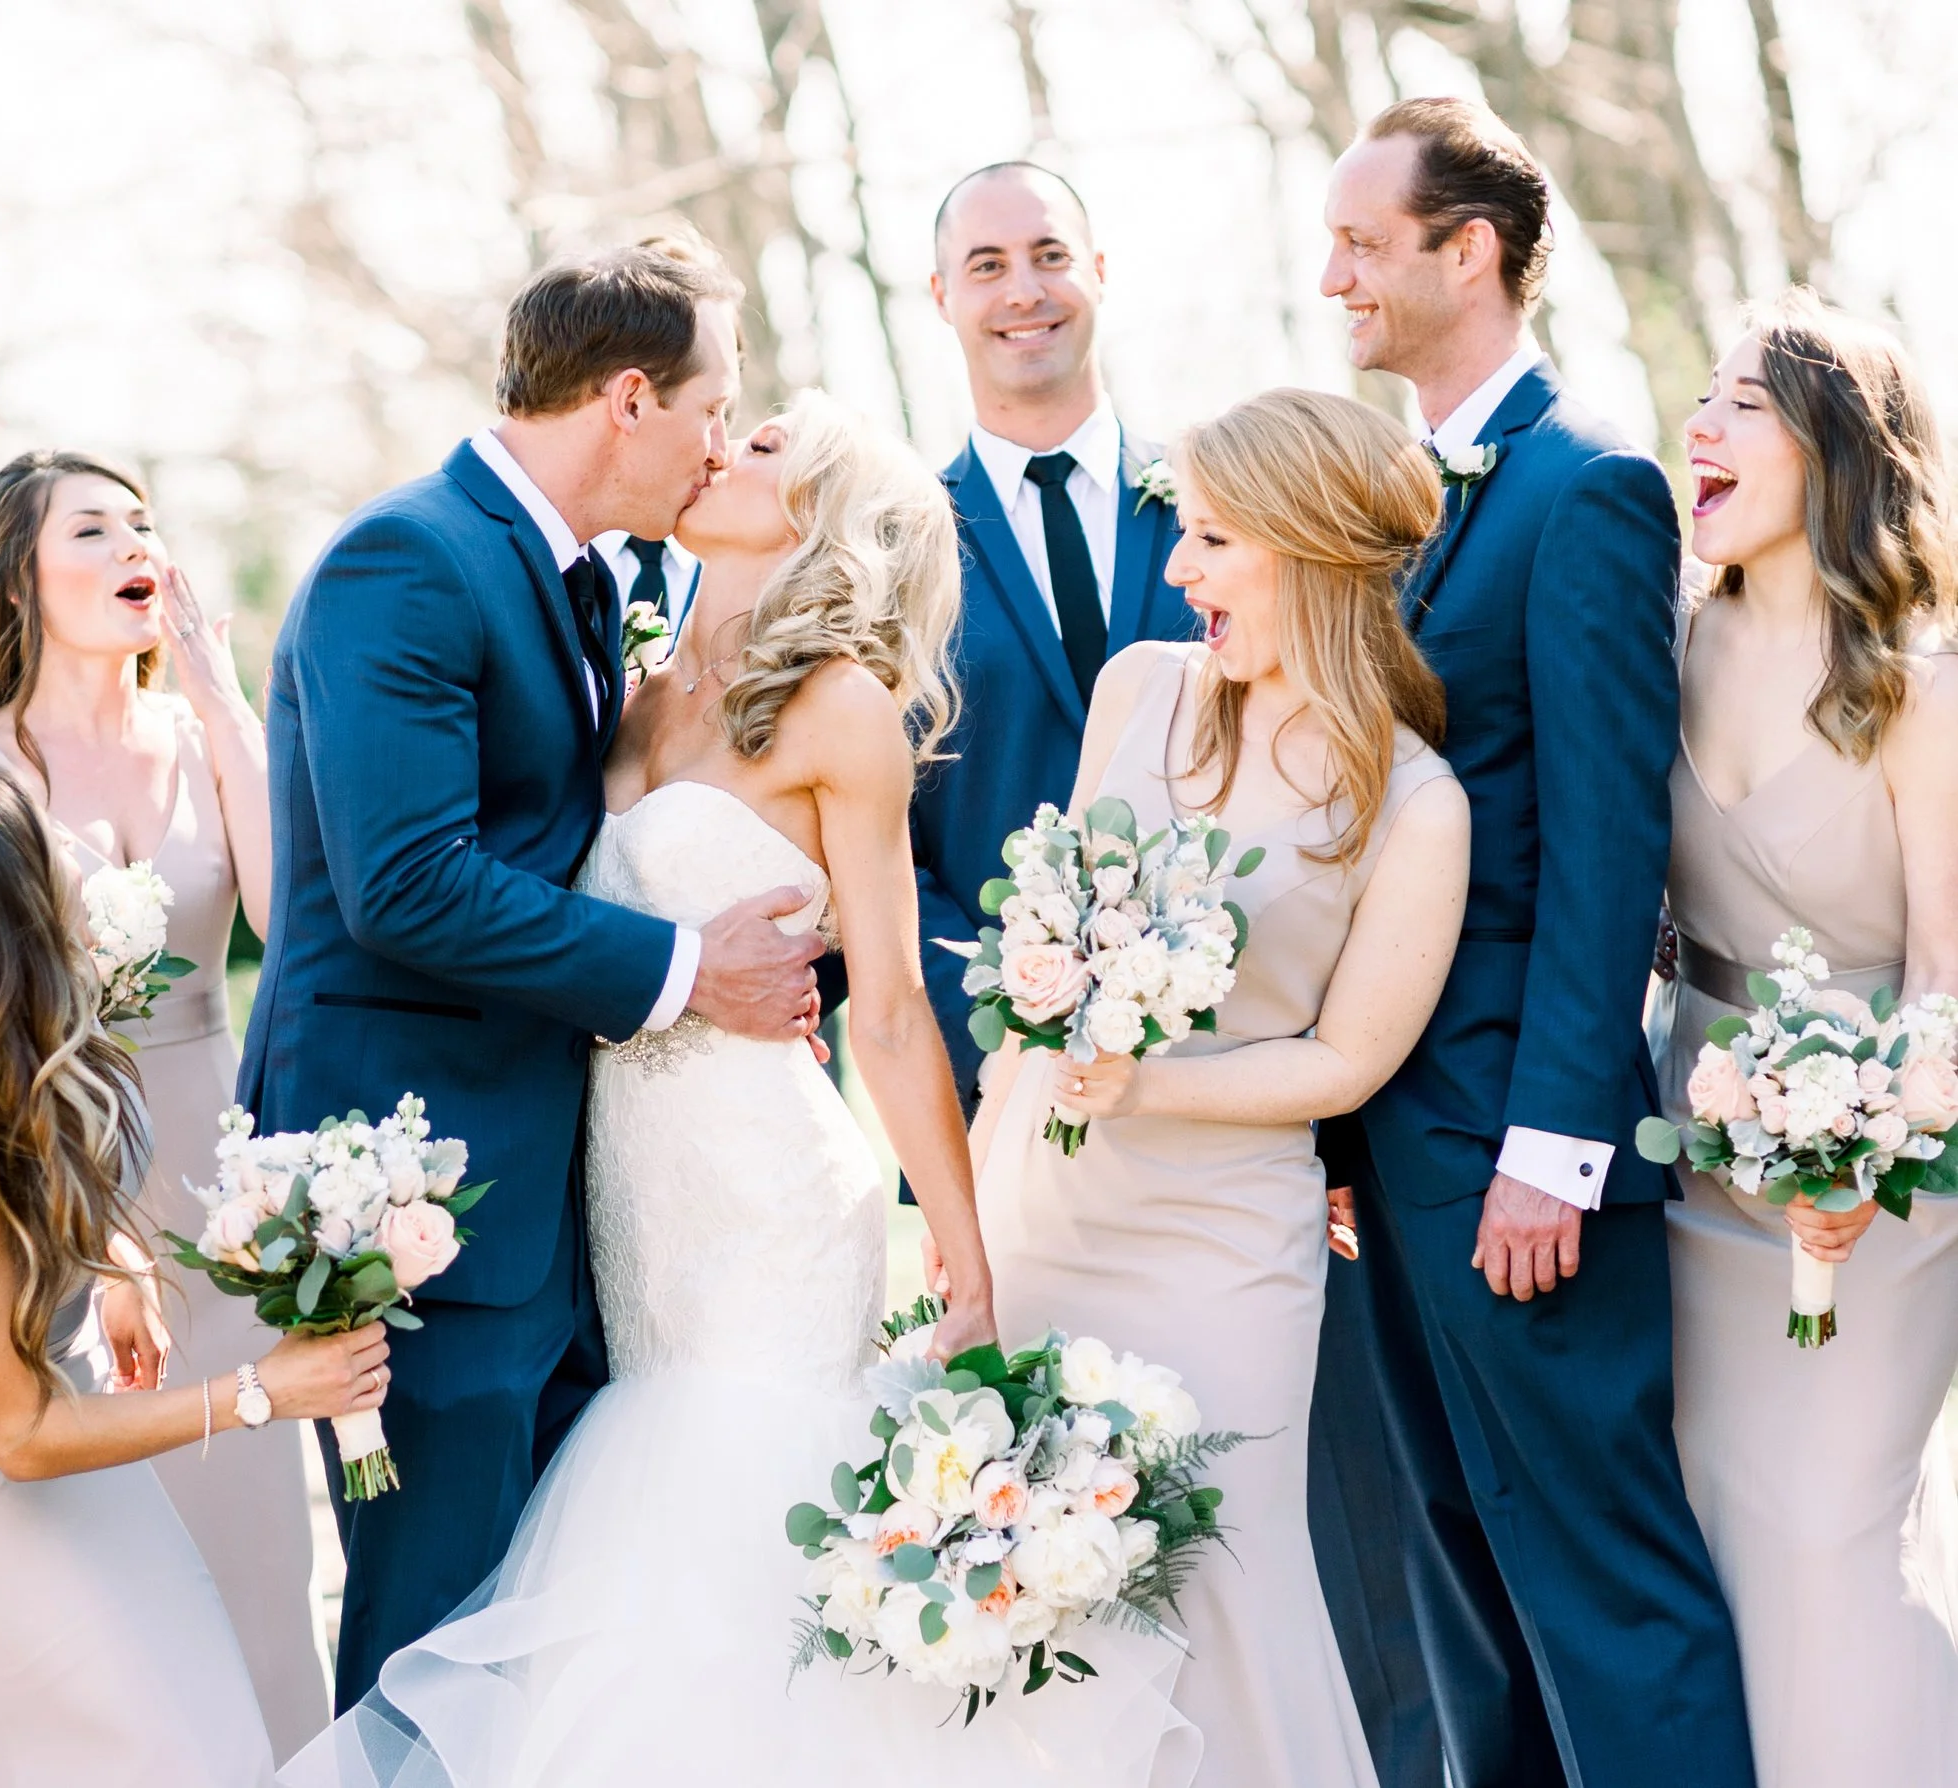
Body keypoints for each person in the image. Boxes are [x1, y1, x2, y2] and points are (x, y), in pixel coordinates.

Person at [287, 390, 1205, 1786]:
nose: (726, 445)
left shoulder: (843, 711)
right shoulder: (639, 684)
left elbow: (890, 1012)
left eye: (766, 445)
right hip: (630, 1192)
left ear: (823, 520)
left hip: (771, 1192)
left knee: (724, 1549)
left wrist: (961, 1250)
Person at [238, 243, 830, 1710]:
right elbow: (406, 883)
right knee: (438, 1624)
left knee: (557, 1625)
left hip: (555, 1175)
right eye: (713, 407)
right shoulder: (411, 560)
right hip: (416, 1181)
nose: (718, 442)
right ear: (631, 398)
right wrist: (691, 968)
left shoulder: (569, 576)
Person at [1307, 97, 1756, 1788]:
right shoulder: (1403, 499)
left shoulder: (1589, 488)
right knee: (1468, 1598)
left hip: (1517, 1144)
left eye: (1363, 240)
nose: (1332, 271)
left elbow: (1603, 841)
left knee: (1601, 1587)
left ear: (1468, 250)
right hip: (1397, 1148)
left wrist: (1558, 1143)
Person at [965, 388, 1468, 1788]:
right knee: (1035, 1582)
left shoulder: (1415, 801)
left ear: (1306, 546)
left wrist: (1147, 1086)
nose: (1179, 572)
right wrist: (974, 1199)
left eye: (1211, 540)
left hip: (1228, 1249)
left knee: (1219, 1585)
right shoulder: (1138, 689)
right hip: (1046, 1212)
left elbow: (1345, 1060)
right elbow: (1043, 957)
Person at [0, 764, 389, 1787]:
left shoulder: (56, 1042)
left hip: (55, 1409)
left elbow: (56, 1193)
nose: (81, 864)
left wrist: (117, 1259)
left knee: (204, 1724)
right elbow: (20, 1437)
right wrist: (266, 1391)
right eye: (51, 852)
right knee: (153, 1742)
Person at [0, 450, 327, 1756]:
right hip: (50, 1177)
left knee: (260, 1560)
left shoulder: (203, 737)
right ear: (21, 577)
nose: (137, 542)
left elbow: (288, 918)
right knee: (105, 1573)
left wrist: (219, 690)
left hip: (217, 1172)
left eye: (145, 519)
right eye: (93, 527)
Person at [1655, 293, 1958, 1784]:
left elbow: (1946, 974)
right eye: (1699, 397)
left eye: (1742, 405)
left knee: (1832, 1534)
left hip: (1886, 1181)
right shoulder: (1666, 649)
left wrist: (1869, 1151)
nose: (1697, 428)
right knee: (1716, 1521)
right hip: (1694, 1154)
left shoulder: (1918, 684)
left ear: (1835, 451)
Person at [912, 162, 1189, 1111]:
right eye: (986, 266)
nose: (1023, 291)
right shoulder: (893, 551)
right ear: (942, 296)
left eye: (1049, 256)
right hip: (999, 1083)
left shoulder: (1220, 506)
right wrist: (999, 1029)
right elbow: (875, 839)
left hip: (1227, 1070)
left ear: (1100, 271)